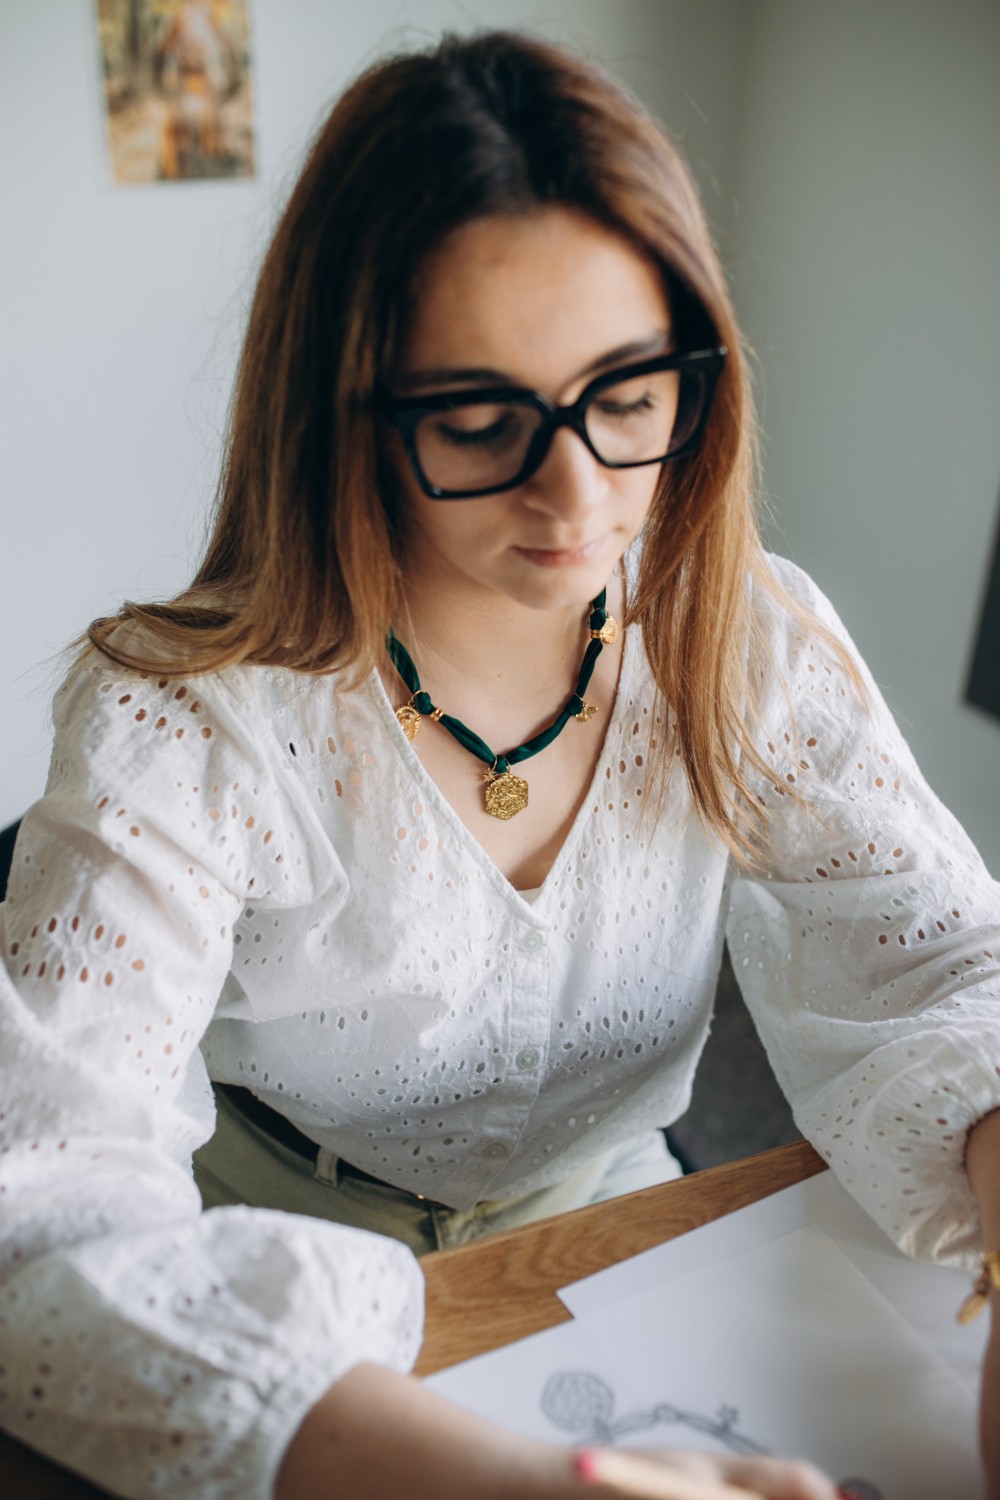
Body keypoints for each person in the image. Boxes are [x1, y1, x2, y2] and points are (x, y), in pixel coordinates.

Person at [0, 28, 997, 1500]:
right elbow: (44, 1212)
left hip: (608, 1223)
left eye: (631, 394)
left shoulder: (748, 635)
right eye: (479, 420)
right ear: (345, 408)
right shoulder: (178, 720)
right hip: (271, 1278)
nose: (579, 495)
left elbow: (942, 963)